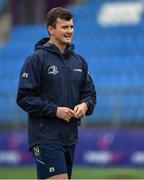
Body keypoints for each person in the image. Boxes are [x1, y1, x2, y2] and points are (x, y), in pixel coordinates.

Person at [16, 7, 96, 179]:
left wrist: (85, 105)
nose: (70, 31)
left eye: (71, 27)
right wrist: (55, 111)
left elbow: (90, 95)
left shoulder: (79, 61)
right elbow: (24, 98)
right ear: (51, 30)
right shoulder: (36, 59)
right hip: (45, 138)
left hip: (70, 139)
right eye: (64, 27)